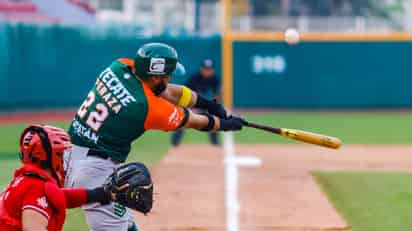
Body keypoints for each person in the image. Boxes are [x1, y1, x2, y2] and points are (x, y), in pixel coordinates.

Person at [65, 42, 244, 231]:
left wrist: (209, 104)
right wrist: (225, 124)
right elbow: (194, 121)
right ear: (156, 77)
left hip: (68, 155)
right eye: (167, 75)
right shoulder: (147, 108)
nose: (169, 79)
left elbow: (169, 91)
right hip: (96, 171)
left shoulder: (117, 67)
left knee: (126, 223)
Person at [0, 125, 112, 231]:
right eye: (60, 154)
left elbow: (59, 196)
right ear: (48, 157)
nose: (63, 160)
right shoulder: (36, 188)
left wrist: (100, 194)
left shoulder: (27, 181)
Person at [171, 58, 221, 146]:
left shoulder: (214, 79)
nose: (207, 71)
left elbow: (217, 94)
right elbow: (186, 93)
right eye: (205, 69)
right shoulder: (194, 78)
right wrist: (191, 107)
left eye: (209, 69)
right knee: (184, 118)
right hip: (192, 104)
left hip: (205, 104)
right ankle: (175, 142)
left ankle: (214, 142)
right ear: (201, 69)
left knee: (214, 117)